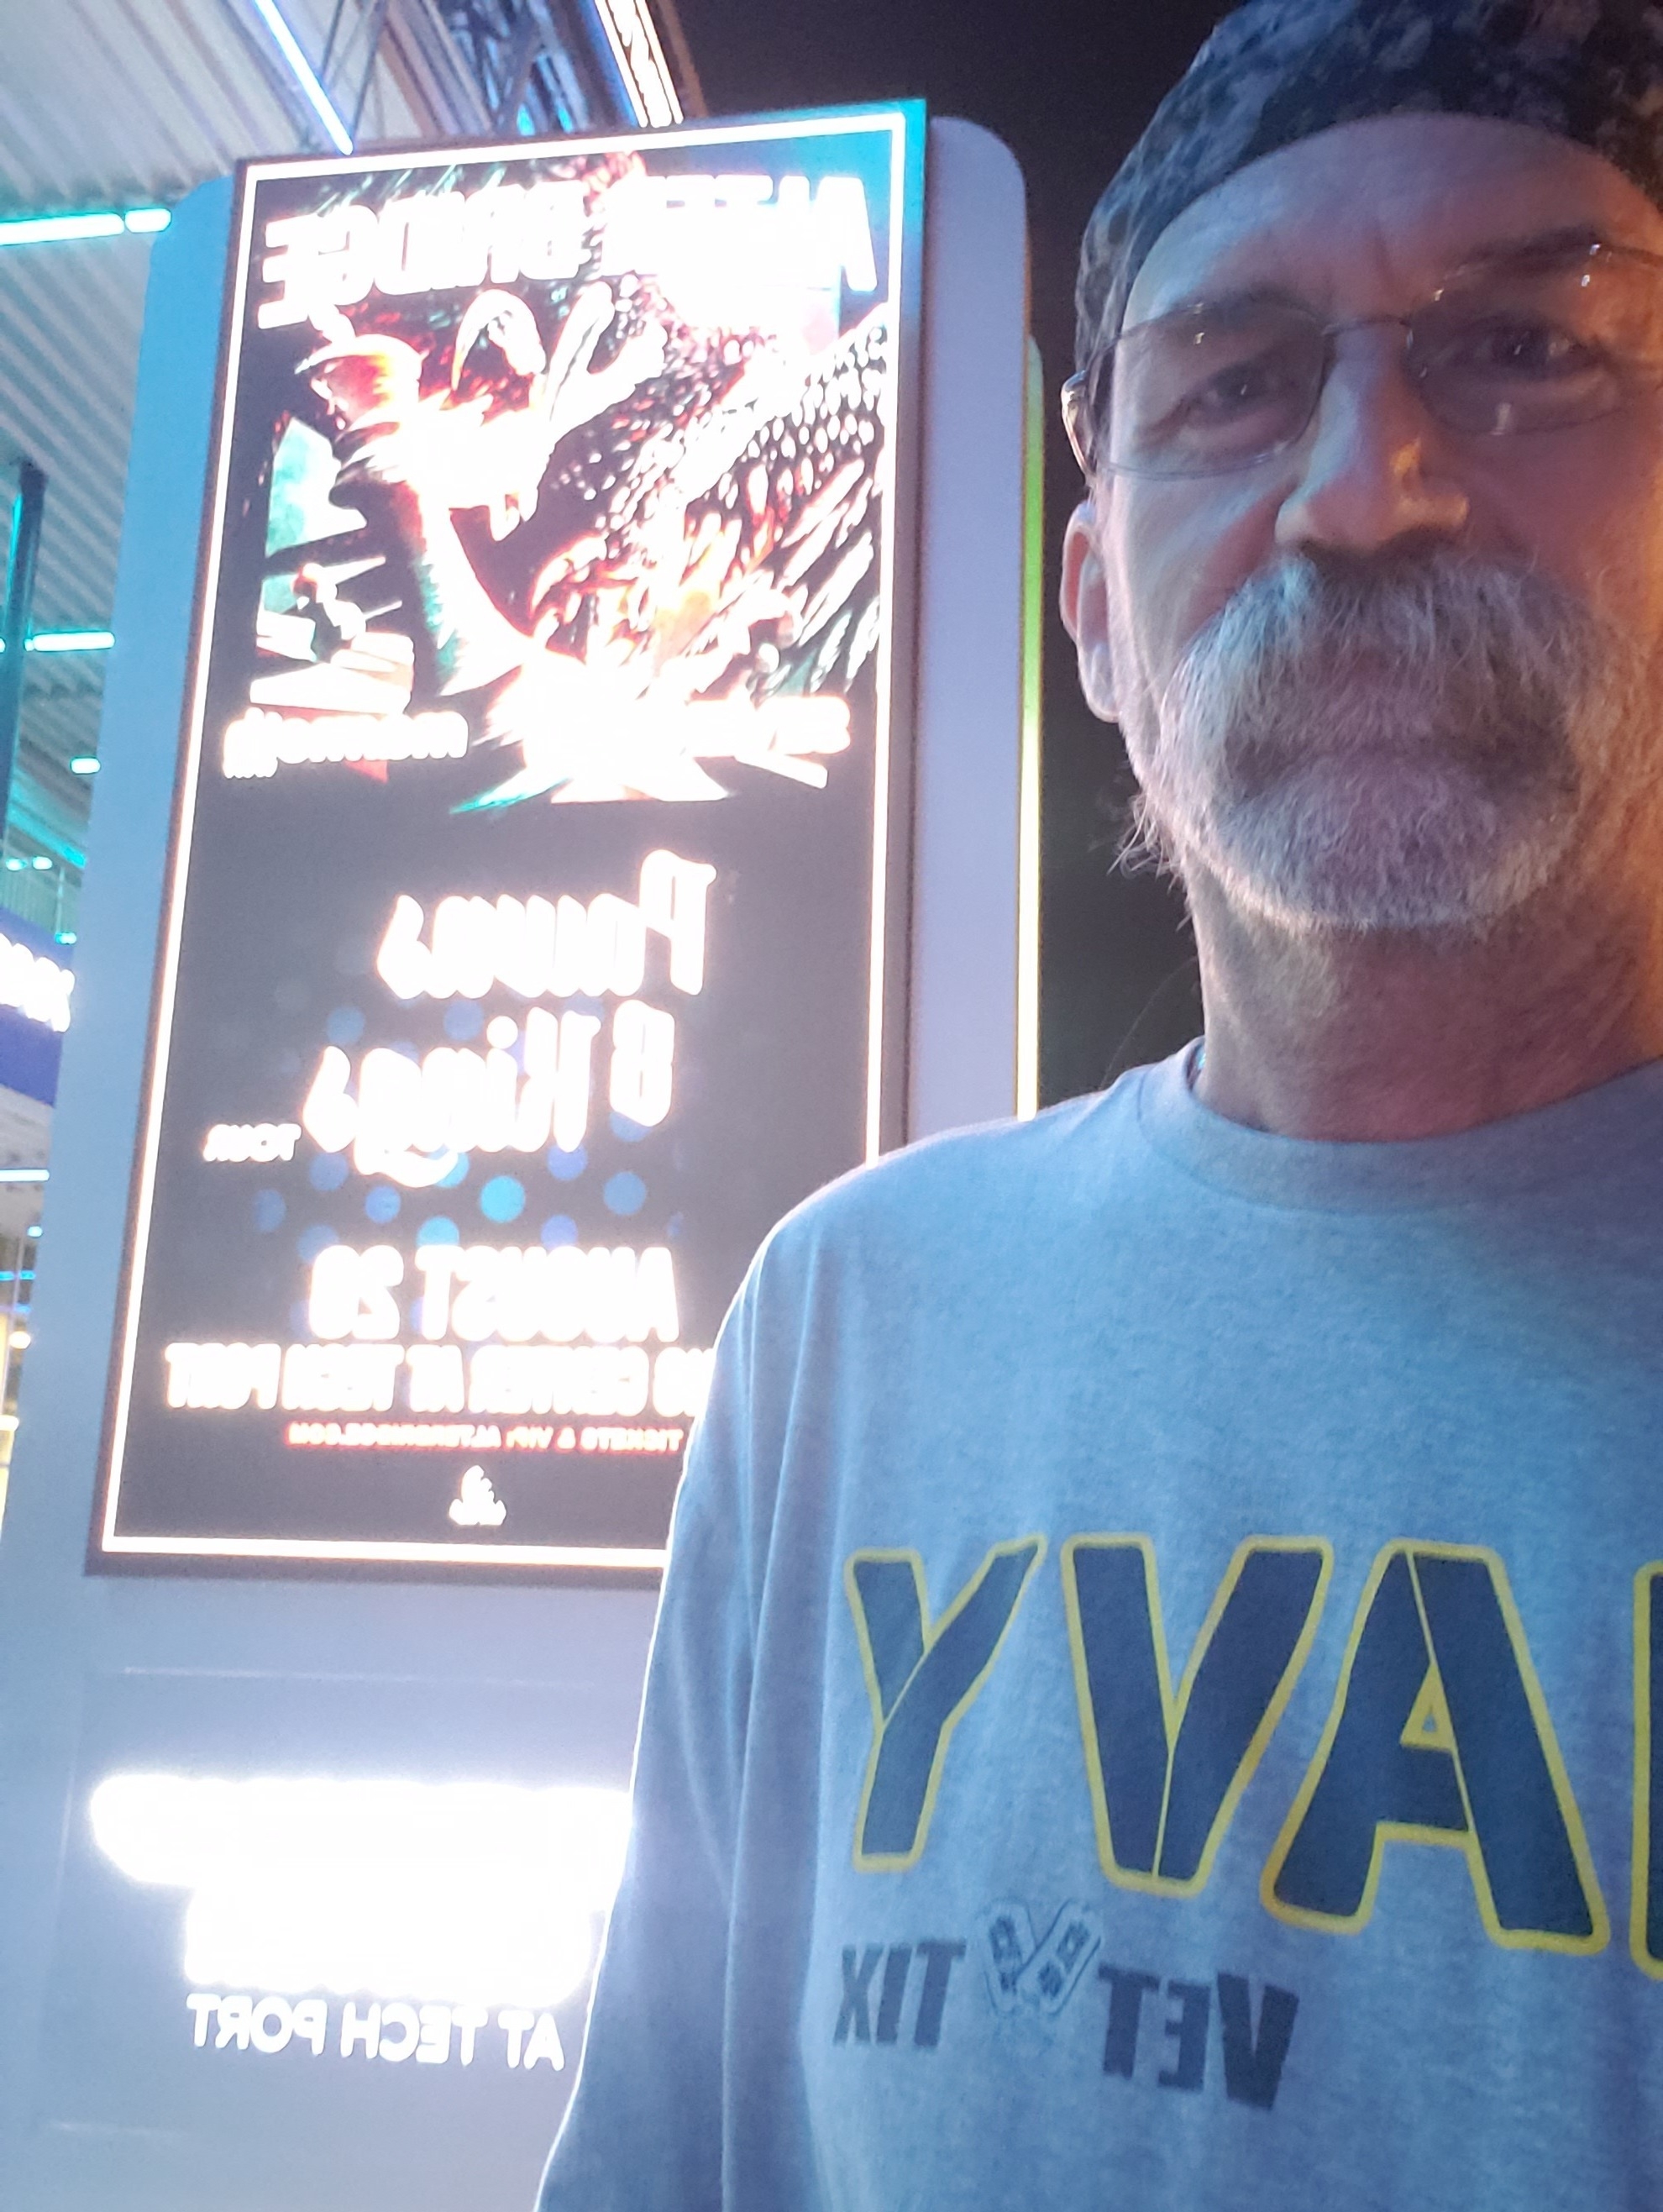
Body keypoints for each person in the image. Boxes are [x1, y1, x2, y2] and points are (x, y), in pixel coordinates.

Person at [539, 3, 1663, 2204]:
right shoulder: (852, 1320)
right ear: (1090, 610)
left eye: (1527, 349)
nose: (1361, 489)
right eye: (1231, 385)